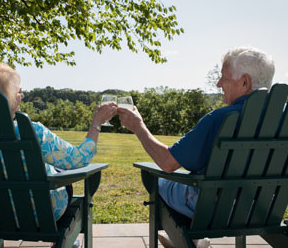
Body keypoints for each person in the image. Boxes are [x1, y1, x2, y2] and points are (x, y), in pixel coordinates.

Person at [117, 46, 275, 248]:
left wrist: (138, 127)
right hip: (262, 208)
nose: (218, 84)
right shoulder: (287, 119)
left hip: (217, 210)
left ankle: (187, 239)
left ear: (245, 82)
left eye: (223, 78)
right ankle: (194, 241)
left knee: (158, 180)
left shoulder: (219, 119)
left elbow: (168, 162)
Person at [0, 63, 116, 245]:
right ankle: (67, 241)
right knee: (58, 174)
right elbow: (79, 159)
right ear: (5, 99)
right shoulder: (32, 131)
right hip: (39, 215)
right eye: (18, 91)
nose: (22, 95)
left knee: (49, 167)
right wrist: (97, 123)